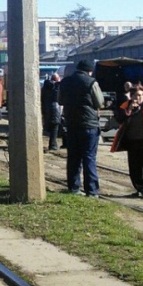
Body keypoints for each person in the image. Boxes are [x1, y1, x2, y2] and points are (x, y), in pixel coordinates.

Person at [58, 60, 104, 196]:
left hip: (72, 124)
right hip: (89, 124)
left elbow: (60, 100)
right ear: (90, 70)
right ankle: (92, 191)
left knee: (73, 157)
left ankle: (73, 188)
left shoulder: (65, 82)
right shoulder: (91, 82)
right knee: (89, 157)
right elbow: (99, 102)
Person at [41, 73, 62, 150]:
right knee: (55, 127)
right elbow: (59, 98)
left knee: (52, 127)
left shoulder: (45, 87)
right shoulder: (56, 87)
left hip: (47, 109)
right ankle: (53, 144)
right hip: (55, 109)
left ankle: (53, 143)